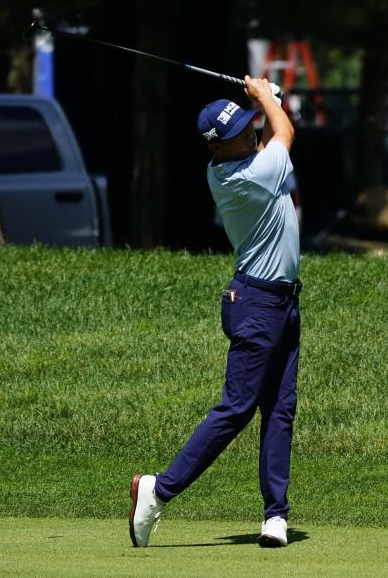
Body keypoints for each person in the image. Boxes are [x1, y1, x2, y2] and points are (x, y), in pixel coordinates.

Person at [129, 76, 300, 548]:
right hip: (257, 305)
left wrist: (265, 105)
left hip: (282, 303)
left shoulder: (241, 161)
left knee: (280, 409)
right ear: (218, 148)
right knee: (238, 407)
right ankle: (158, 491)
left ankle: (275, 516)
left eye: (249, 126)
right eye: (241, 133)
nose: (251, 133)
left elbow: (269, 137)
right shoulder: (242, 176)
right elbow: (283, 136)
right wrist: (267, 98)